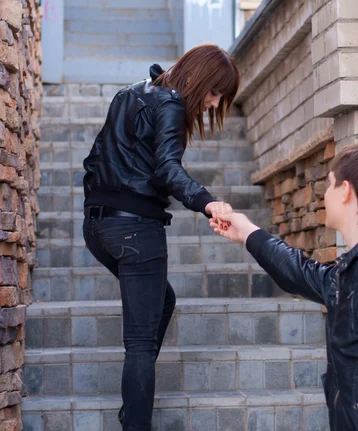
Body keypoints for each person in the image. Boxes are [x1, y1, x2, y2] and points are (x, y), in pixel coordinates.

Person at [210, 141, 358, 430]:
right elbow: (300, 273)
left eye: (329, 185)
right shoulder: (353, 270)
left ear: (346, 191)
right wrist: (248, 232)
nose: (324, 195)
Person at [82, 44, 238, 430]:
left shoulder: (131, 92)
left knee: (162, 301)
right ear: (199, 77)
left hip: (98, 227)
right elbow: (167, 169)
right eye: (215, 92)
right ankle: (135, 420)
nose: (215, 104)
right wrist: (207, 202)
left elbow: (94, 159)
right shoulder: (170, 104)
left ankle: (131, 405)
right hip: (135, 230)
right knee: (139, 342)